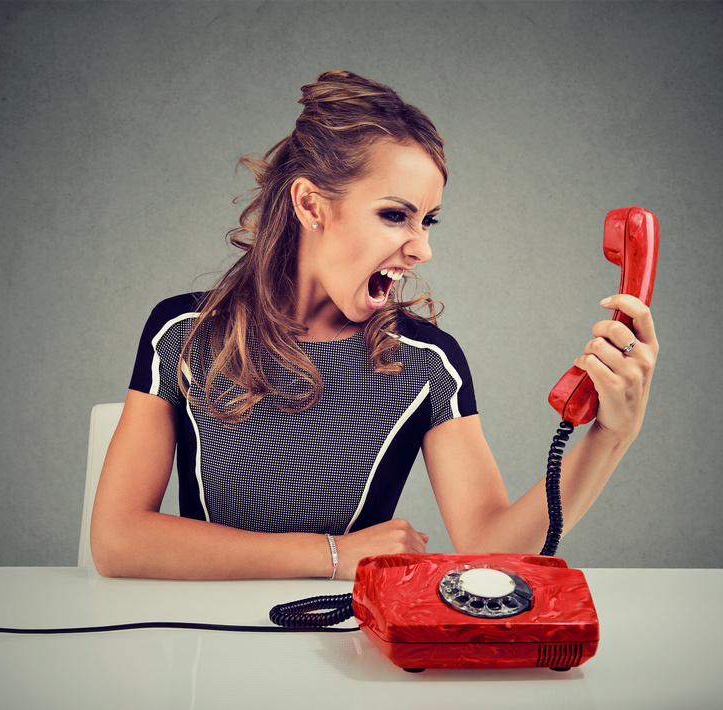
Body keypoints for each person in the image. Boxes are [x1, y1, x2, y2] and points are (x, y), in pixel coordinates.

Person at [90, 70, 658, 581]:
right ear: (311, 205)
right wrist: (334, 555)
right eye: (394, 215)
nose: (422, 248)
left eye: (428, 221)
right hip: (202, 638)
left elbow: (492, 549)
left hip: (347, 641)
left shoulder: (429, 363)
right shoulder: (184, 332)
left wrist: (610, 436)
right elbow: (117, 541)